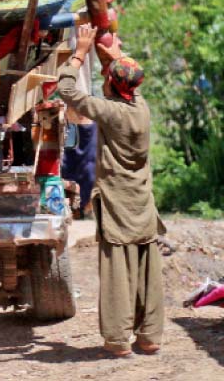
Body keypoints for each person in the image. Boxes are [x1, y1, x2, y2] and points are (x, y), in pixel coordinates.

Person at [57, 25, 165, 358]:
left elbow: (67, 91)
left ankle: (118, 341)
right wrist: (113, 53)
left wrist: (80, 52)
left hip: (118, 204)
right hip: (142, 203)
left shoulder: (111, 112)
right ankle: (149, 337)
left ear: (111, 87)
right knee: (148, 270)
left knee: (119, 269)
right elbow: (124, 79)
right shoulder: (140, 107)